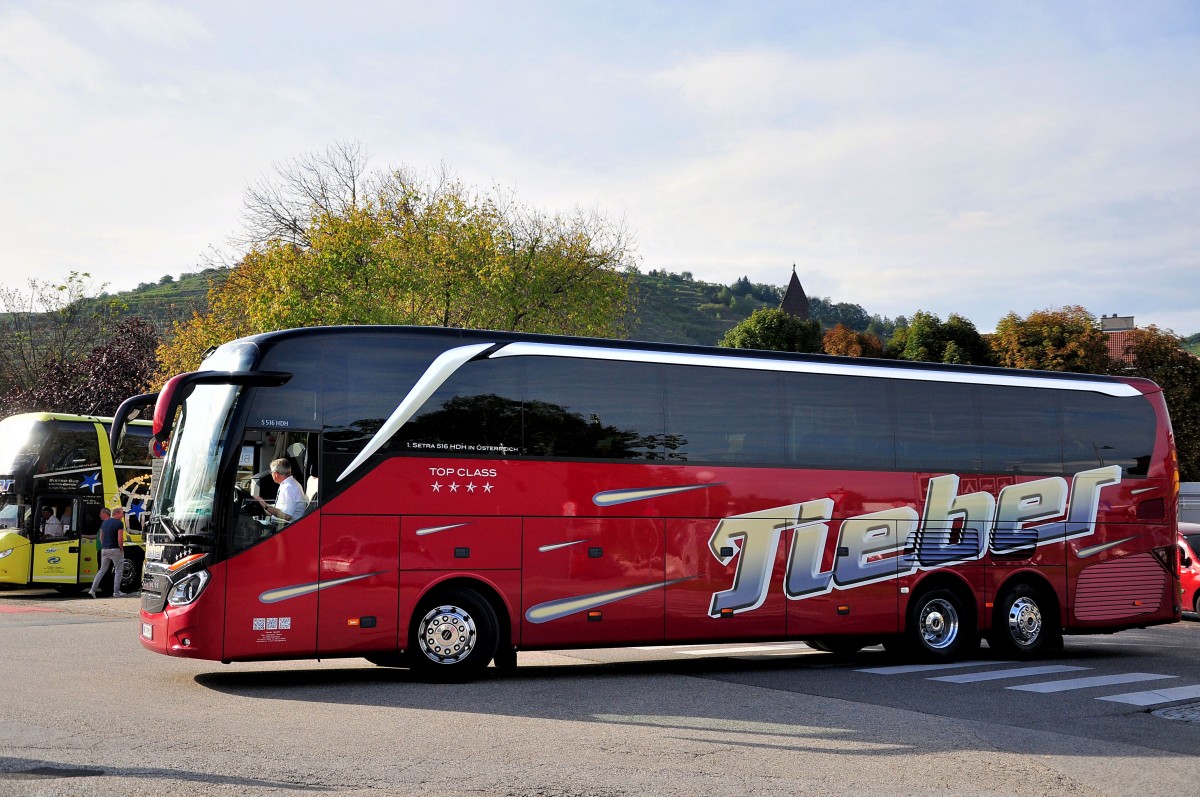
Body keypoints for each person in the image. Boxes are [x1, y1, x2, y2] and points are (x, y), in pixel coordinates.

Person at [89, 507, 127, 598]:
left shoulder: (104, 523)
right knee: (118, 570)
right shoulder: (119, 523)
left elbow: (101, 537)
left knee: (102, 570)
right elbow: (120, 538)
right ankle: (116, 592)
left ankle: (92, 590)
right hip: (115, 549)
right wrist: (121, 548)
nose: (122, 516)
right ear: (116, 514)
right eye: (121, 514)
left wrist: (104, 546)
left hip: (104, 550)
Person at [254, 458, 306, 524]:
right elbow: (281, 507)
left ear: (276, 474)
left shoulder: (288, 488)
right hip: (281, 523)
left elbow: (287, 516)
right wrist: (264, 506)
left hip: (286, 526)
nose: (271, 474)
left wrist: (265, 506)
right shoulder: (288, 483)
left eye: (271, 472)